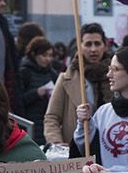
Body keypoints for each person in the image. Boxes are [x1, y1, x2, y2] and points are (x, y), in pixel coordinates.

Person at [44, 22, 110, 156]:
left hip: (109, 149)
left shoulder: (116, 75)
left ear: (105, 46)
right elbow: (52, 117)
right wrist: (57, 143)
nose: (93, 49)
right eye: (88, 44)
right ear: (80, 46)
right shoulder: (65, 78)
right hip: (76, 151)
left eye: (97, 44)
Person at [19, 38, 61, 145]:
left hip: (47, 121)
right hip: (30, 122)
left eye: (50, 55)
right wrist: (37, 93)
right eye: (44, 55)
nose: (48, 59)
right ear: (34, 54)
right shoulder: (24, 72)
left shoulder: (52, 74)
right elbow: (18, 100)